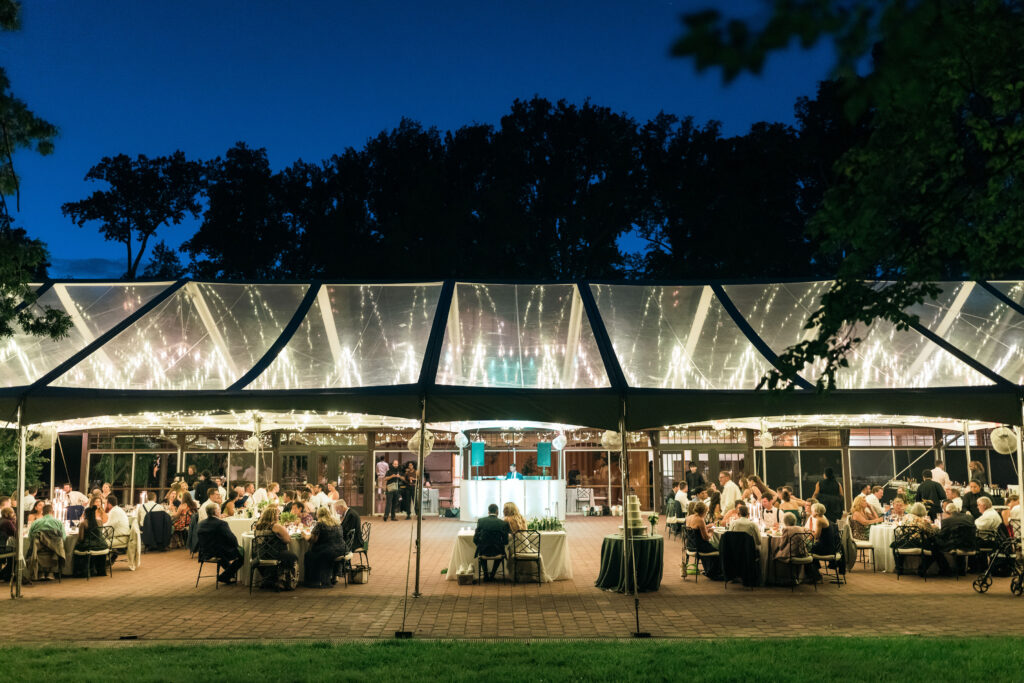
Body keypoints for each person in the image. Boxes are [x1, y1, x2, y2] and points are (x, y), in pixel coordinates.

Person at [252, 506, 300, 590]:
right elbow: (288, 540)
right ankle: (284, 581)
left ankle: (268, 579)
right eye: (277, 514)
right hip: (275, 553)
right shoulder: (276, 526)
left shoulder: (257, 526)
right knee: (292, 557)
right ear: (273, 516)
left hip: (261, 554)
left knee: (287, 556)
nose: (278, 516)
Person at [196, 502, 243, 584]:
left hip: (204, 552)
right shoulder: (221, 523)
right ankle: (224, 576)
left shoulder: (201, 523)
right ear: (215, 511)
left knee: (223, 554)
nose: (220, 510)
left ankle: (228, 575)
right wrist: (237, 546)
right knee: (241, 556)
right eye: (219, 509)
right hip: (218, 553)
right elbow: (232, 539)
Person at [302, 506, 348, 587]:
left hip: (329, 551)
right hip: (342, 549)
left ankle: (312, 580)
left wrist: (304, 535)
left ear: (318, 515)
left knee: (308, 555)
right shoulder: (337, 522)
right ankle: (332, 576)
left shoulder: (320, 524)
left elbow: (313, 540)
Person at [473, 503, 511, 581]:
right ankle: (492, 574)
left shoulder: (481, 521)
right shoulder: (503, 523)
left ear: (488, 512)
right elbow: (506, 541)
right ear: (497, 512)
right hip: (497, 551)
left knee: (481, 551)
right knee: (501, 553)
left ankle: (486, 575)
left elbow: (475, 539)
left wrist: (480, 544)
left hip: (484, 550)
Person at [73, 503, 110, 577]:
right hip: (101, 545)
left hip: (90, 546)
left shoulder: (83, 523)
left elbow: (81, 538)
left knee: (75, 549)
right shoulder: (99, 522)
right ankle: (99, 570)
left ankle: (82, 571)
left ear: (86, 515)